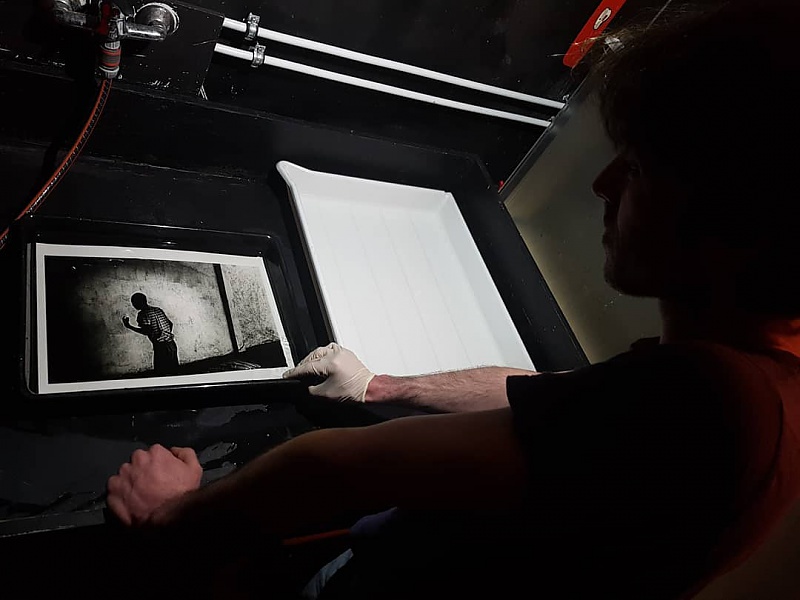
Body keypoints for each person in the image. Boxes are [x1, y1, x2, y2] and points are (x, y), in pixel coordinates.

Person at [107, 1, 800, 598]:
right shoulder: (761, 374)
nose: (603, 184)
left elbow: (340, 468)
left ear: (736, 219)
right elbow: (543, 397)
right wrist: (377, 386)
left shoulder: (704, 405)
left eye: (640, 168)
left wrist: (174, 516)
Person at [122, 292, 179, 376]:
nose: (133, 305)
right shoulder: (158, 310)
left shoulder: (143, 314)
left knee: (162, 374)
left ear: (138, 303)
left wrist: (129, 326)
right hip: (171, 344)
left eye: (133, 302)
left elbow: (146, 331)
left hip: (161, 347)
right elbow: (170, 324)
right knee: (174, 373)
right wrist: (165, 334)